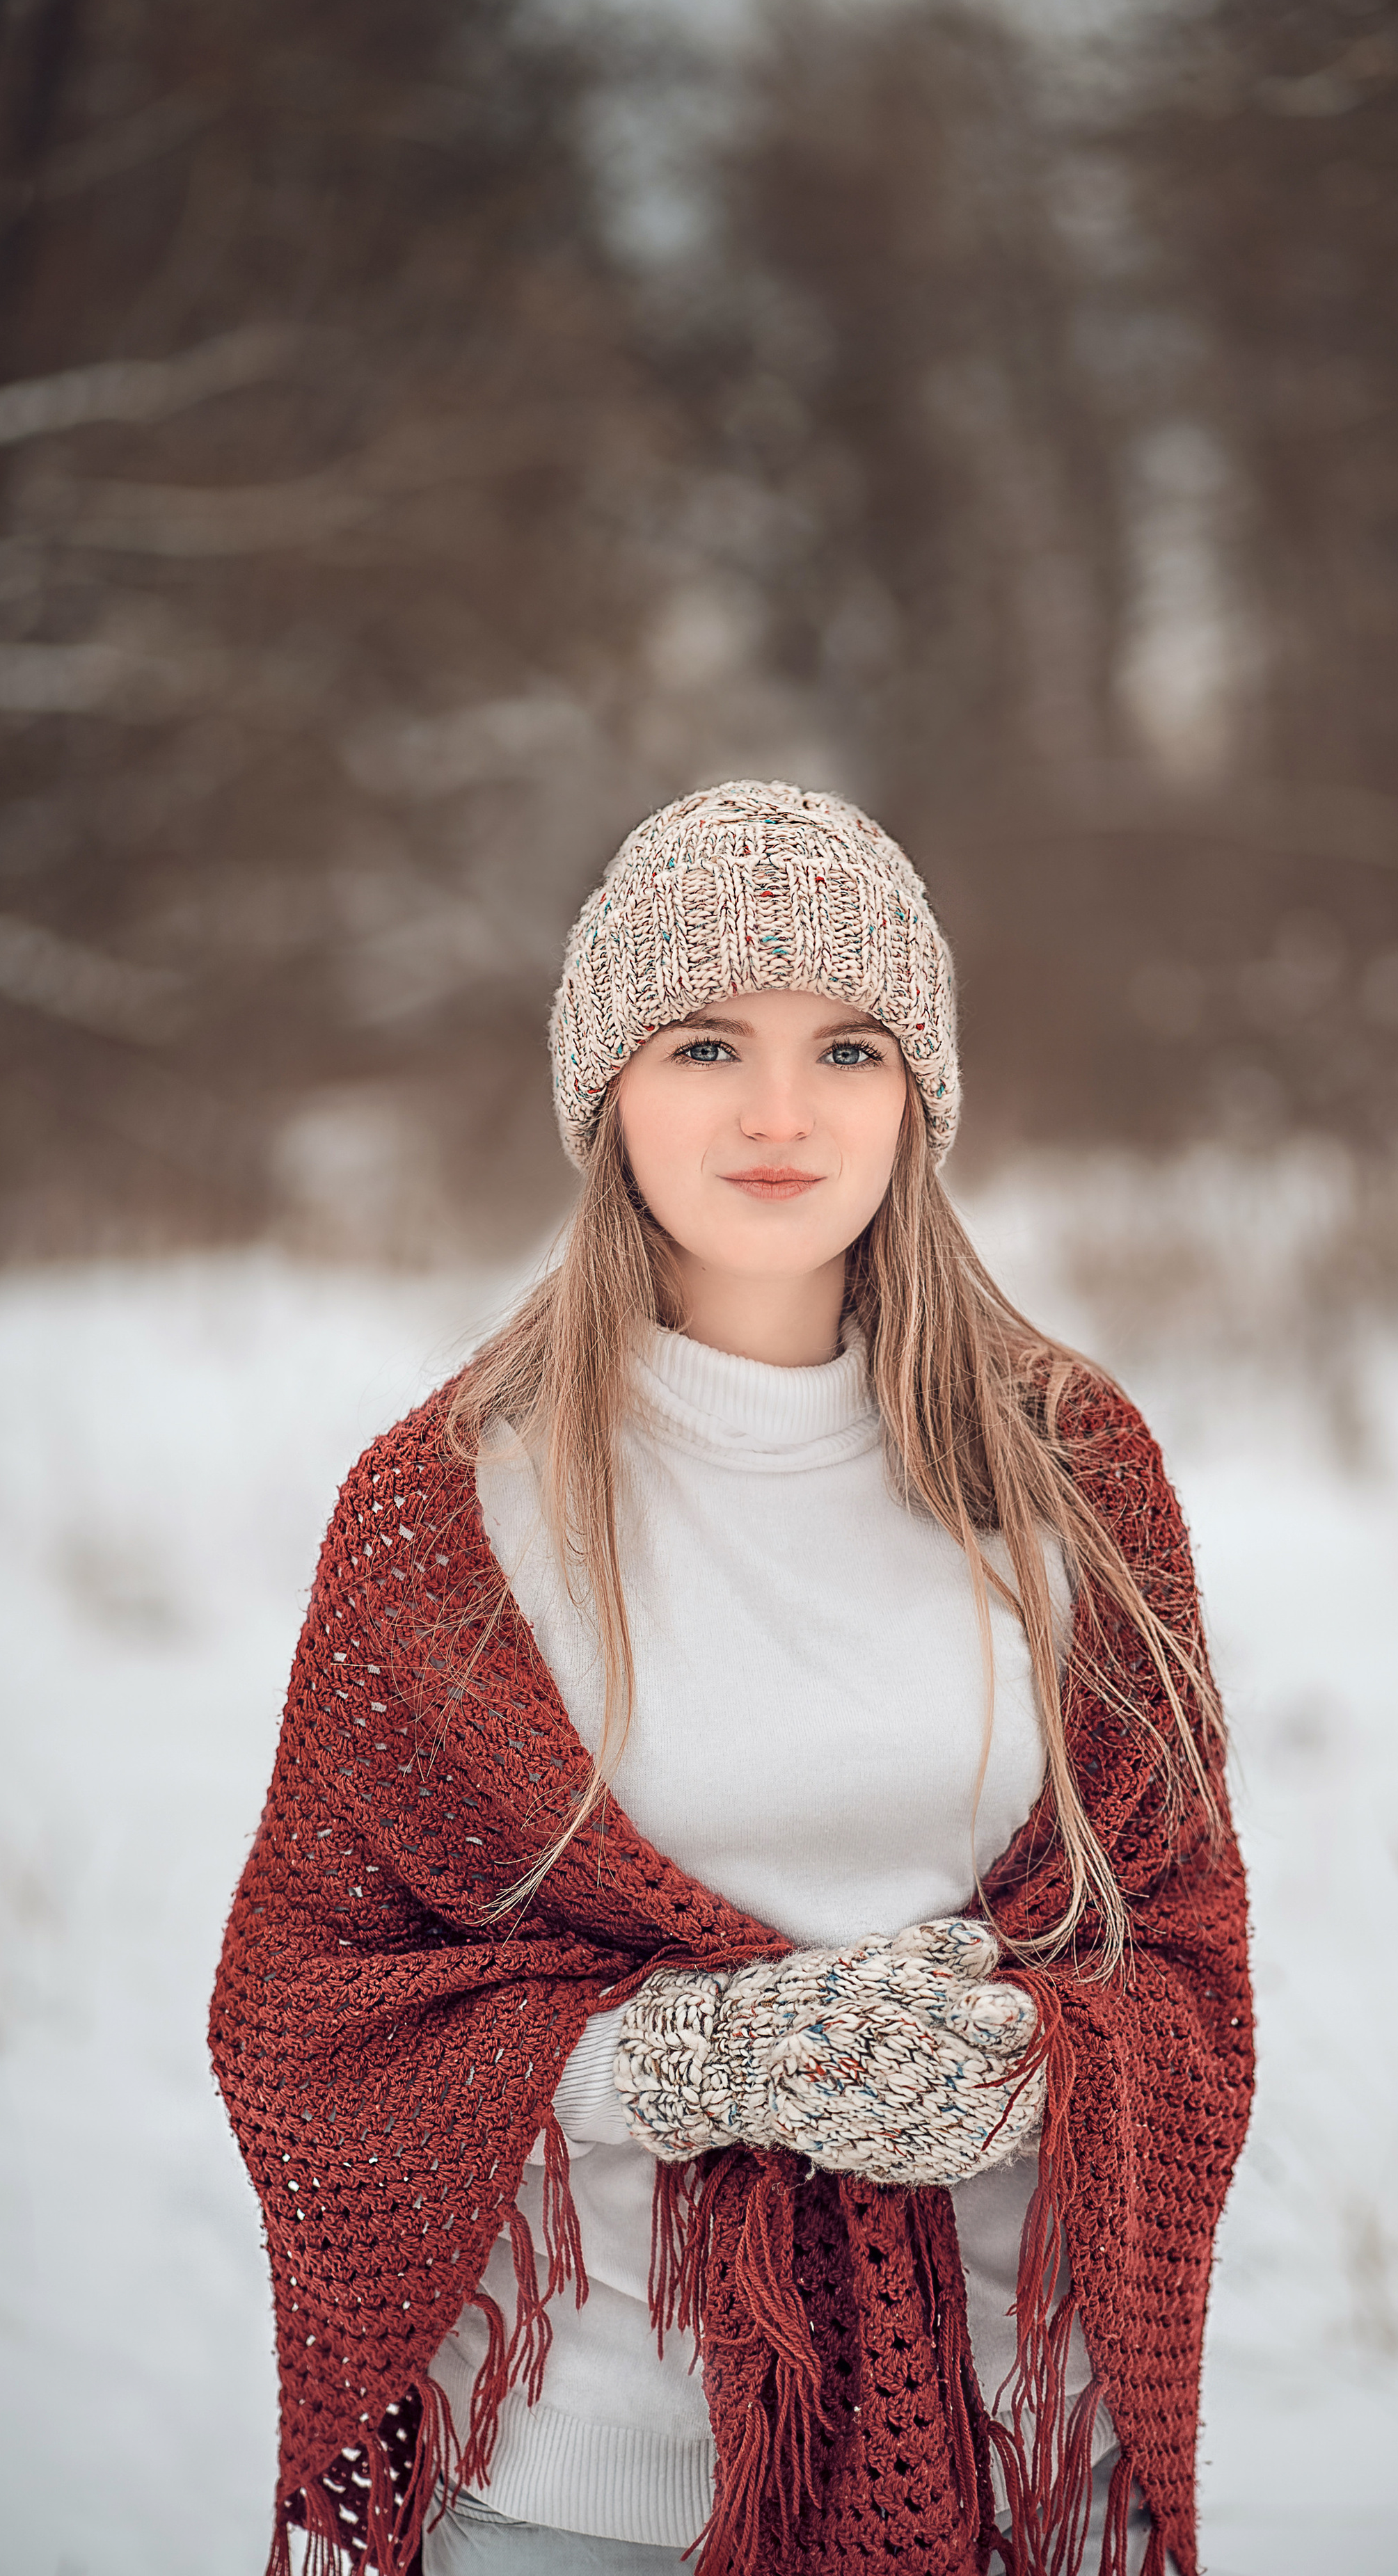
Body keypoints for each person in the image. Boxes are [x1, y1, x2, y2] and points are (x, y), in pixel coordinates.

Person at [211, 783, 1254, 2576]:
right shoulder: (452, 1504)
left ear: (915, 1095)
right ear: (609, 1088)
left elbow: (1184, 1963)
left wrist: (1023, 2063)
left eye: (847, 1047)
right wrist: (675, 2061)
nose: (781, 1114)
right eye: (708, 1043)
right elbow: (310, 2016)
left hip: (1009, 2473)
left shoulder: (1073, 1474)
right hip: (578, 2483)